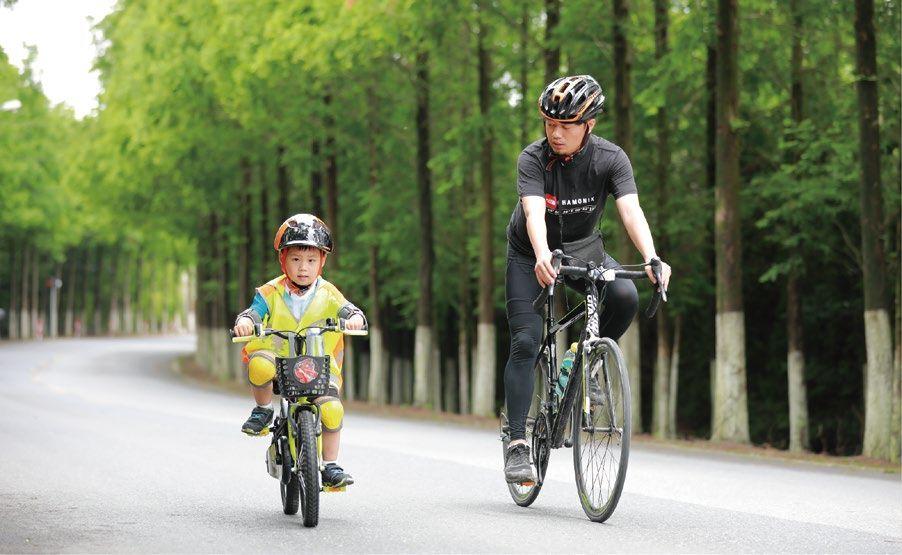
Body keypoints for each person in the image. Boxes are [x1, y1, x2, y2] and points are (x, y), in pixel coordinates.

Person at [503, 75, 672, 483]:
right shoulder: (533, 158)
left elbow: (631, 210)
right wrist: (541, 255)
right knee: (526, 340)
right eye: (549, 124)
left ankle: (584, 363)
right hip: (529, 254)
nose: (555, 133)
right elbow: (533, 213)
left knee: (625, 296)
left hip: (583, 249)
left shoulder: (611, 158)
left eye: (566, 125)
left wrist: (651, 257)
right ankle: (517, 443)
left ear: (589, 125)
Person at [232, 213, 367, 488]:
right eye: (295, 259)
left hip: (318, 364)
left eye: (311, 260)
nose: (303, 268)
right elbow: (254, 312)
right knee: (259, 365)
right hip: (278, 359)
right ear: (283, 259)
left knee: (332, 410)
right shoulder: (270, 292)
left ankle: (330, 465)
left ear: (322, 262)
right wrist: (246, 322)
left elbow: (349, 309)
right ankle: (263, 410)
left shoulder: (329, 293)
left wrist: (354, 318)